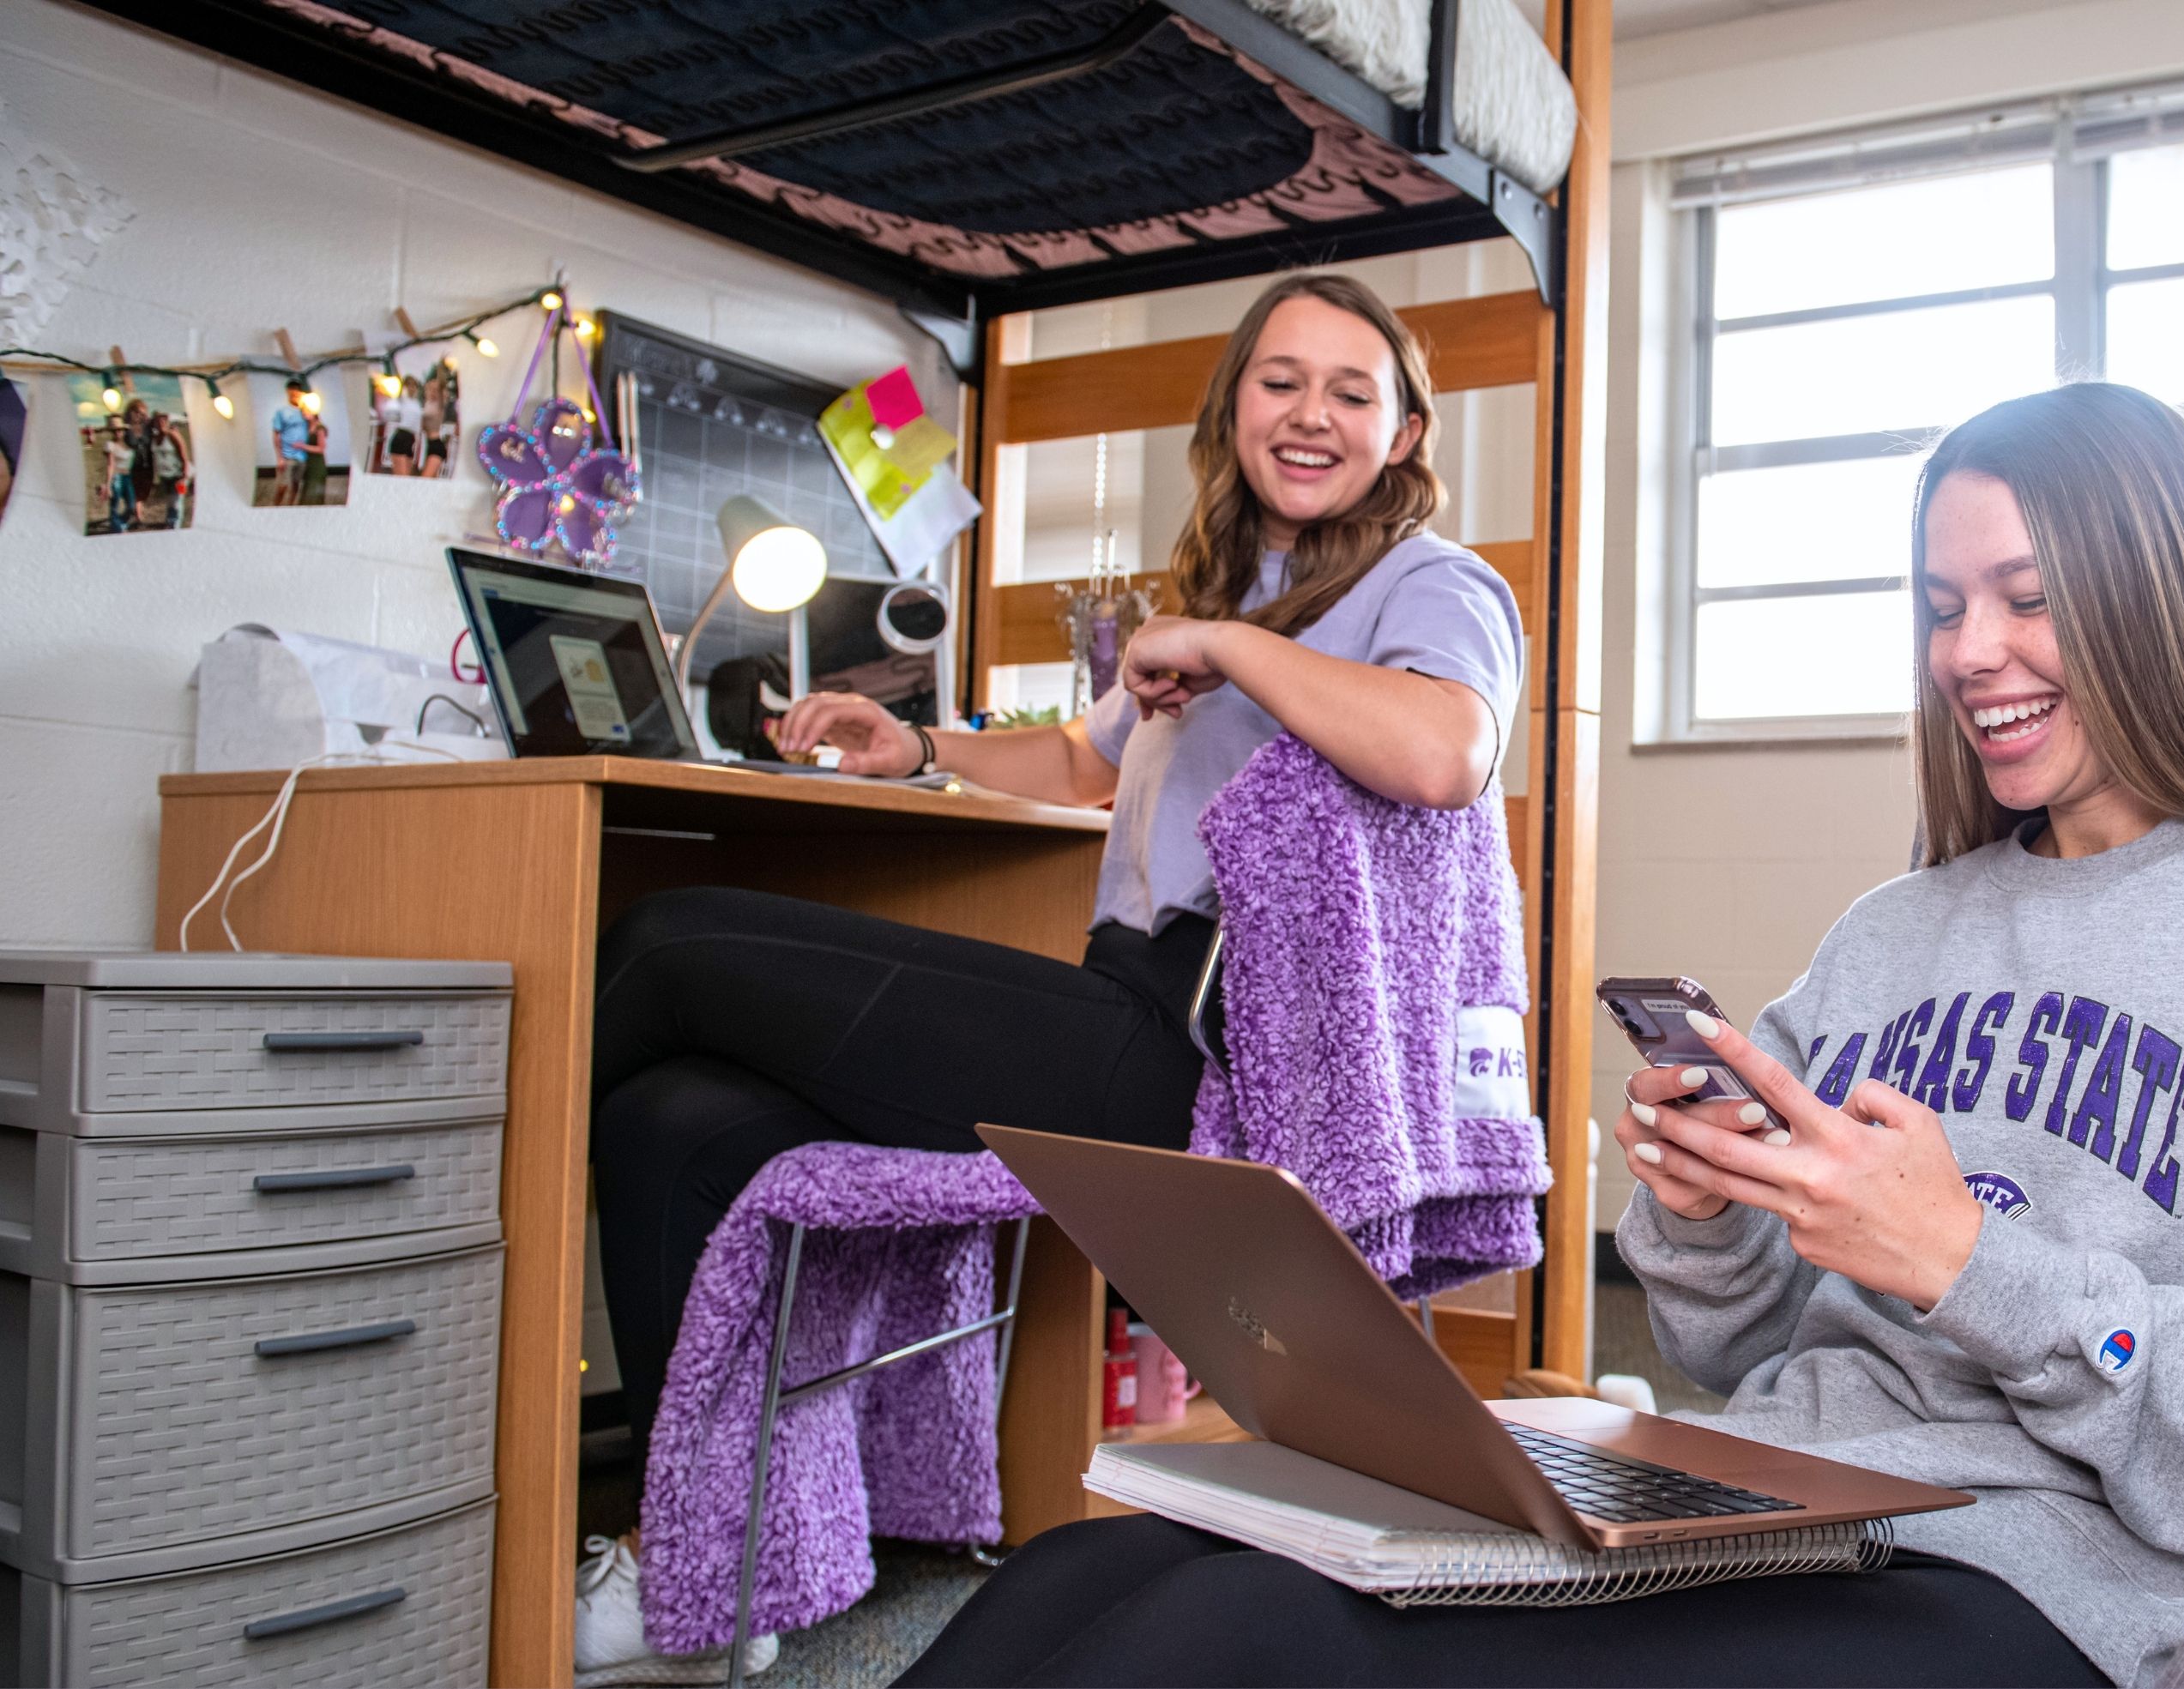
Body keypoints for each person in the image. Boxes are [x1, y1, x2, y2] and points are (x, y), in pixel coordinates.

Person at [898, 383, 2184, 1688]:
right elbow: (1740, 1355)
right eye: (1947, 605)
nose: (1966, 653)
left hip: (2024, 1574)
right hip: (1760, 1493)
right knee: (1094, 1570)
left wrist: (1967, 1259)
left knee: (1241, 1642)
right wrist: (1702, 1217)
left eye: (2028, 599)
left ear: (2155, 601)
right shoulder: (1898, 926)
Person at [570, 271, 1523, 1686]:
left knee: (665, 943)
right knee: (679, 1121)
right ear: (1232, 407)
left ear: (1401, 432)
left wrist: (1218, 646)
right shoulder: (1233, 588)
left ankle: (459, 1325)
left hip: (1206, 1062)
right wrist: (924, 752)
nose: (1310, 413)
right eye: (1280, 380)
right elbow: (1086, 761)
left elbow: (1449, 751)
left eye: (1350, 390)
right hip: (1115, 1001)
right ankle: (698, 1570)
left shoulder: (1427, 583)